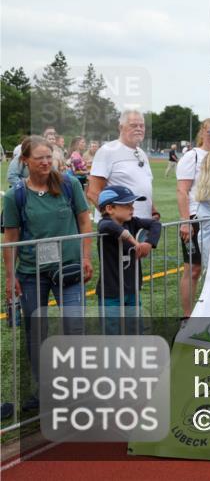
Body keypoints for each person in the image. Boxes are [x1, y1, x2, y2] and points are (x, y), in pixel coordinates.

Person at [2, 136, 92, 411]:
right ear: (24, 160)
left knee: (74, 329)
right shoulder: (15, 195)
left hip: (69, 270)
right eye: (39, 157)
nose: (45, 162)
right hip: (31, 274)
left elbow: (84, 220)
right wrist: (9, 276)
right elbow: (11, 236)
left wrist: (86, 256)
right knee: (35, 332)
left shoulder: (69, 184)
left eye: (48, 156)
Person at [96, 185, 161, 334]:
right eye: (127, 205)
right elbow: (111, 227)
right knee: (112, 334)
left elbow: (155, 224)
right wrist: (135, 242)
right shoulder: (104, 224)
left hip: (131, 288)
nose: (132, 208)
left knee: (135, 329)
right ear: (110, 208)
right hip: (110, 292)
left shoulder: (132, 222)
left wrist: (149, 243)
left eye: (132, 205)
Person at [87, 110, 158, 222]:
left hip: (143, 224)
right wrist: (112, 221)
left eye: (142, 125)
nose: (139, 129)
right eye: (133, 125)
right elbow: (93, 192)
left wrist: (153, 211)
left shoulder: (142, 153)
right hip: (119, 228)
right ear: (121, 127)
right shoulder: (107, 151)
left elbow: (143, 188)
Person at [176, 120, 210, 318]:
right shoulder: (193, 156)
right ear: (202, 132)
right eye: (209, 131)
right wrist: (185, 222)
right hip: (196, 219)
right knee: (194, 269)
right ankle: (187, 317)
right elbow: (182, 191)